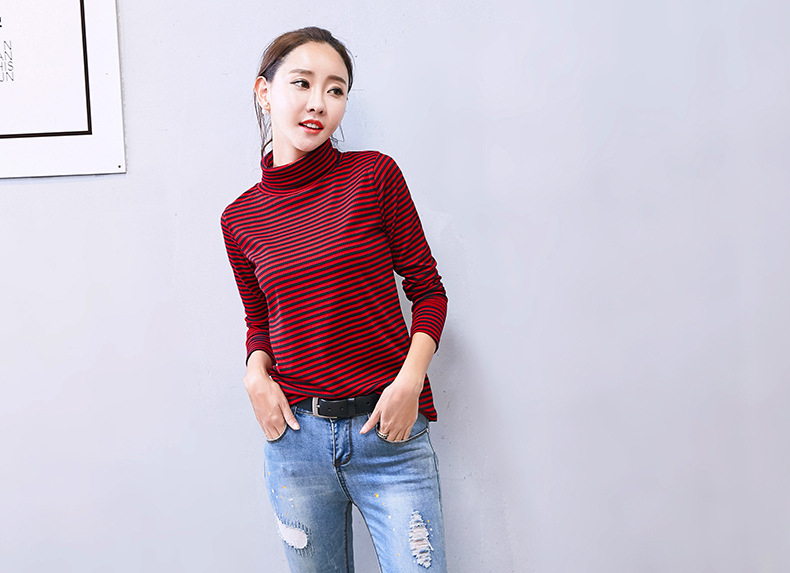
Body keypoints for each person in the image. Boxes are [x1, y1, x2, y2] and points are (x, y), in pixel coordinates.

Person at [221, 26, 448, 573]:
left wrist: (409, 383)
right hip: (296, 444)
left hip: (389, 434)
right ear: (264, 92)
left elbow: (428, 291)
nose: (319, 103)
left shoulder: (373, 176)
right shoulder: (240, 218)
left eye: (336, 89)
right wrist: (254, 374)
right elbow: (260, 320)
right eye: (302, 83)